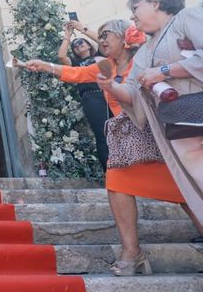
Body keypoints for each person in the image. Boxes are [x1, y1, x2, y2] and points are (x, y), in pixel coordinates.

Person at [28, 18, 203, 275]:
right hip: (128, 139)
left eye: (105, 35)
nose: (101, 41)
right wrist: (46, 66)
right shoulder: (105, 66)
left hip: (160, 134)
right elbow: (75, 74)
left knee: (186, 190)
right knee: (117, 182)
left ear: (124, 38)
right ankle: (133, 252)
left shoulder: (145, 59)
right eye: (99, 36)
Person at [100, 0, 203, 227]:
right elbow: (133, 93)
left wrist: (164, 71)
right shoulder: (146, 50)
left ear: (156, 3)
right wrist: (110, 86)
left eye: (136, 7)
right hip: (180, 127)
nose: (132, 15)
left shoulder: (187, 17)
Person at [57, 22, 109, 169]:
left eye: (81, 43)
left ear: (88, 45)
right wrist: (67, 36)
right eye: (75, 46)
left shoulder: (100, 55)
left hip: (110, 93)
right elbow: (61, 56)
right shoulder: (75, 63)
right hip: (91, 98)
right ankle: (109, 169)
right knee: (102, 132)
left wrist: (82, 29)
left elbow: (102, 41)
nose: (78, 46)